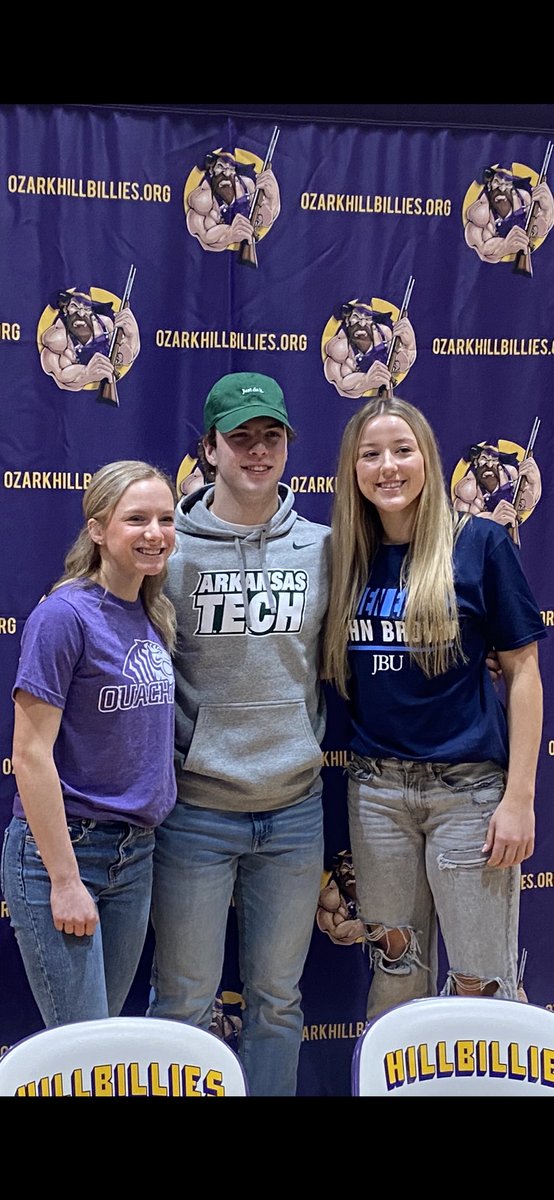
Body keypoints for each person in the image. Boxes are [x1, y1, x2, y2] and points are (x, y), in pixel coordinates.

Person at [322, 395, 545, 1019]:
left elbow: (523, 674)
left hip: (469, 793)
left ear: (428, 458)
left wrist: (520, 798)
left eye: (402, 450)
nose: (387, 467)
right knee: (395, 972)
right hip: (376, 793)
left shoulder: (481, 545)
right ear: (353, 470)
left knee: (482, 982)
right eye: (371, 455)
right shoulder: (345, 555)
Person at [148, 371, 330, 1096]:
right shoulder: (171, 553)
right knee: (185, 1008)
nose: (258, 451)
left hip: (294, 811)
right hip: (197, 812)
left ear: (288, 445)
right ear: (211, 449)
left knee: (278, 1006)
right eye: (241, 437)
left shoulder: (322, 547)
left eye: (272, 436)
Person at [1, 460, 177, 1027]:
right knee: (83, 1053)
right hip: (69, 849)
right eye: (136, 519)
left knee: (106, 1048)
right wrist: (64, 879)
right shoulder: (64, 616)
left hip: (136, 853)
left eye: (165, 519)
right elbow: (29, 754)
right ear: (99, 529)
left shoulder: (152, 612)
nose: (155, 533)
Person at [40, 288, 140, 391]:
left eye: (86, 308)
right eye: (75, 306)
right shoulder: (57, 339)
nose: (81, 313)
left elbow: (126, 357)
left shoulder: (105, 324)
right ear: (66, 309)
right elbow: (62, 379)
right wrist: (86, 374)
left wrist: (133, 336)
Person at [186, 150, 280, 253]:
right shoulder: (202, 199)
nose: (226, 173)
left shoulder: (247, 185)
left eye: (230, 168)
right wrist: (230, 235)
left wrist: (273, 197)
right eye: (220, 167)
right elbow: (206, 240)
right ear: (212, 171)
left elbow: (266, 218)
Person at [324, 300, 416, 398]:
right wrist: (366, 381)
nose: (362, 323)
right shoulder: (340, 347)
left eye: (367, 318)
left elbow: (403, 364)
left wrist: (410, 345)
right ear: (347, 321)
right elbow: (342, 386)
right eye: (356, 317)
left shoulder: (385, 333)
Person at [464, 165, 554, 264]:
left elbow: (541, 228)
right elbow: (484, 249)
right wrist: (505, 246)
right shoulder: (482, 212)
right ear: (490, 186)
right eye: (497, 182)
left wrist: (548, 210)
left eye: (507, 183)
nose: (502, 188)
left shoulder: (524, 198)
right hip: (489, 273)